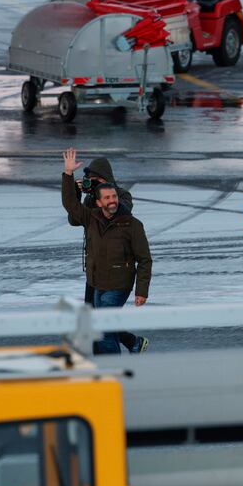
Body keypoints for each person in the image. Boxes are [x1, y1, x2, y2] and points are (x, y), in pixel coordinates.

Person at [62, 148, 151, 355]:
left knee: (101, 322)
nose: (91, 183)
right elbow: (74, 219)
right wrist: (80, 193)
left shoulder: (121, 195)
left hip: (117, 272)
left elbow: (123, 212)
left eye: (94, 179)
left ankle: (111, 360)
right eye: (89, 179)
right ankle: (132, 343)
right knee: (95, 318)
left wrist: (103, 195)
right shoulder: (92, 198)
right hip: (95, 270)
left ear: (104, 178)